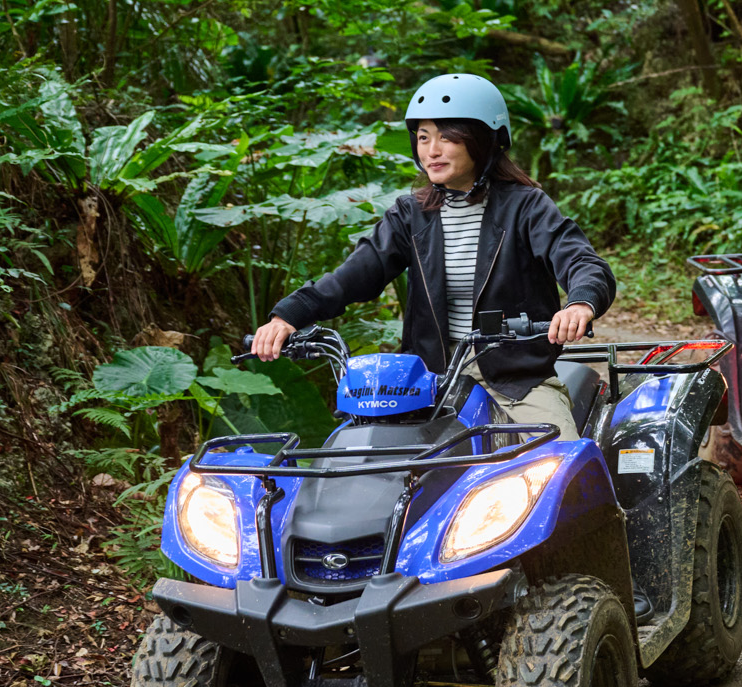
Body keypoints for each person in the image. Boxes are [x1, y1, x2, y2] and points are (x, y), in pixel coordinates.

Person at [250, 73, 615, 439]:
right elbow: (354, 275)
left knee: (560, 460)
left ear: (483, 140)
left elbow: (580, 260)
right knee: (364, 460)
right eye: (423, 137)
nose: (431, 150)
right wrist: (289, 315)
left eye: (446, 137)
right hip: (426, 382)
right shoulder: (410, 215)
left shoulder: (527, 206)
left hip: (516, 381)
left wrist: (579, 304)